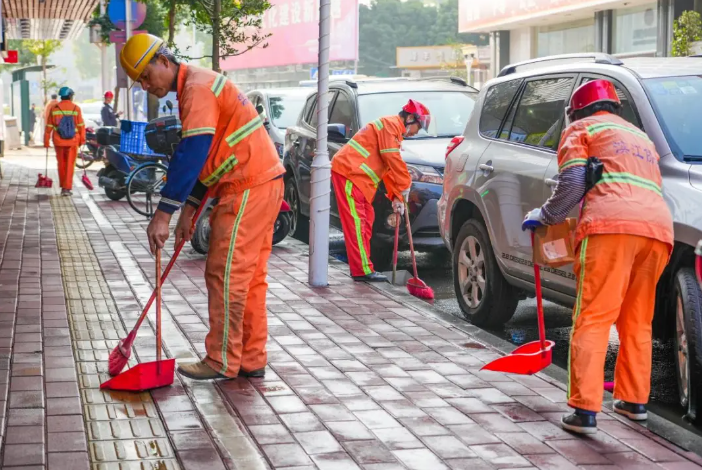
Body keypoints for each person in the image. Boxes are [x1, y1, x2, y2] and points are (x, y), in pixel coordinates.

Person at [120, 34, 284, 380]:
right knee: (250, 279)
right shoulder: (199, 84)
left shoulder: (196, 88)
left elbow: (193, 153)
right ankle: (250, 358)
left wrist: (163, 214)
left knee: (225, 274)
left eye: (146, 76)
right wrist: (188, 212)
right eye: (140, 83)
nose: (147, 85)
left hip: (247, 186)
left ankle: (221, 360)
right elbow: (209, 159)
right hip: (261, 182)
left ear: (163, 60)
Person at [522, 79, 673, 434]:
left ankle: (583, 409)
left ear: (575, 111)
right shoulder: (640, 138)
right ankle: (634, 402)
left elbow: (573, 183)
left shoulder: (580, 128)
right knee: (637, 322)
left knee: (593, 317)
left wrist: (544, 216)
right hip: (657, 232)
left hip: (610, 228)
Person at [331, 100, 429, 282]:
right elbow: (391, 158)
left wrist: (397, 196)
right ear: (409, 118)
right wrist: (404, 185)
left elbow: (388, 167)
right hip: (351, 174)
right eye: (418, 126)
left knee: (367, 220)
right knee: (357, 224)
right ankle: (362, 271)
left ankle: (363, 266)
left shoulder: (393, 131)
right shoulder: (390, 125)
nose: (417, 132)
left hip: (358, 179)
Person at [44, 87, 85, 196]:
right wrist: (82, 140)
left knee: (61, 164)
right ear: (70, 96)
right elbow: (81, 126)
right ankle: (66, 189)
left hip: (59, 141)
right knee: (69, 164)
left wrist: (46, 141)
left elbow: (49, 126)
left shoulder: (54, 108)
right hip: (72, 141)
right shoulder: (76, 108)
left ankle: (63, 186)